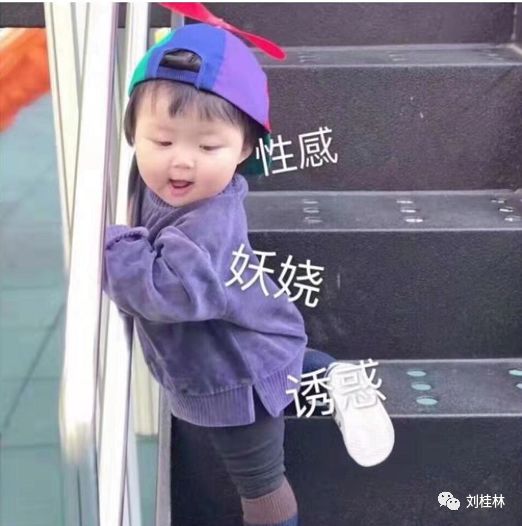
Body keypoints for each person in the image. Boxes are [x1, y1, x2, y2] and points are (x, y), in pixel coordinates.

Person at [102, 22, 394, 526]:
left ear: (242, 151)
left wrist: (110, 246)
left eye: (207, 148)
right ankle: (333, 374)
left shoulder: (208, 220)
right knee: (282, 365)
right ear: (134, 134)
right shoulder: (163, 182)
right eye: (162, 139)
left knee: (261, 486)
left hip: (232, 375)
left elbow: (170, 289)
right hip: (253, 337)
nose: (181, 162)